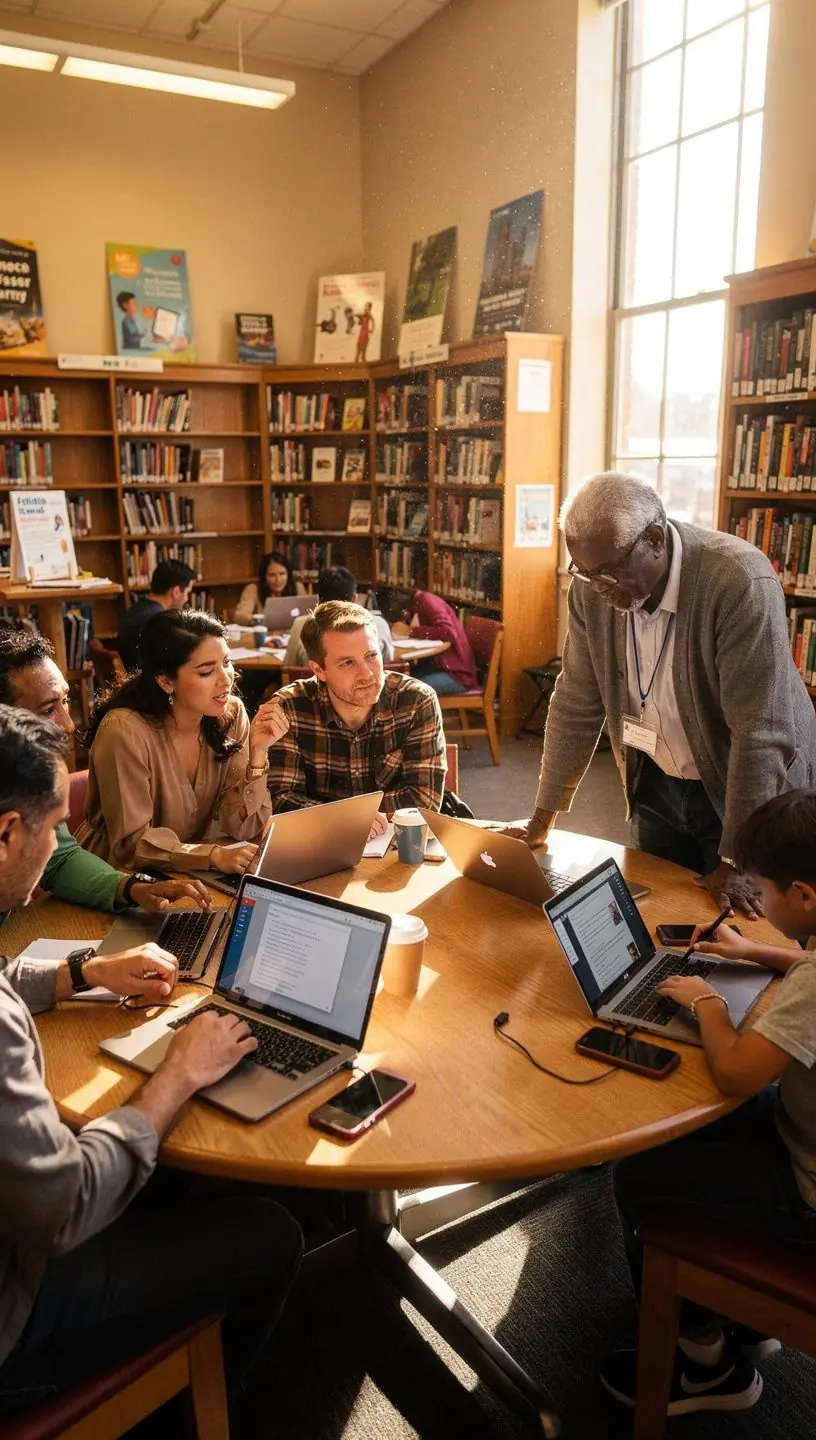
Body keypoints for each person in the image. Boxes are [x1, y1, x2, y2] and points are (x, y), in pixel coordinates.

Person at [0, 705, 301, 1417]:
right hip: (15, 1317)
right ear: (8, 832)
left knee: (169, 1177)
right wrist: (178, 1074)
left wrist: (82, 972)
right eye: (54, 829)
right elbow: (65, 1207)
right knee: (271, 1232)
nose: (53, 856)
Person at [601, 787, 816, 1416]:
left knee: (638, 1177)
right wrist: (755, 952)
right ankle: (742, 1316)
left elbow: (737, 1076)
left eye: (762, 893)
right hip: (802, 1135)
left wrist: (708, 1004)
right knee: (685, 1134)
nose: (756, 906)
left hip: (807, 1193)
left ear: (804, 896)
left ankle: (705, 1364)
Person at [513, 472, 816, 918]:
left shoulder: (737, 581)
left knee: (744, 921)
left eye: (609, 571)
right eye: (585, 572)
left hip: (743, 788)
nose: (598, 588)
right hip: (655, 779)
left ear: (655, 539)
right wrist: (542, 816)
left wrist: (736, 859)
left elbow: (760, 734)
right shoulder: (592, 589)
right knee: (656, 914)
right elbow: (576, 698)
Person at [0, 627, 210, 918]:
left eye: (65, 701)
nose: (69, 725)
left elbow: (59, 860)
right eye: (48, 710)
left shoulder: (29, 772)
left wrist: (130, 888)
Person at [77, 610, 286, 875]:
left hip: (188, 874)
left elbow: (242, 828)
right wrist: (211, 855)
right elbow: (132, 845)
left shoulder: (230, 714)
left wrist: (258, 754)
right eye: (207, 671)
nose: (226, 679)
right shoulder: (123, 730)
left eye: (226, 662)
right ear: (165, 681)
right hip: (112, 876)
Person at [267, 600, 446, 837]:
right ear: (318, 670)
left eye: (371, 655)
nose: (367, 674)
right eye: (348, 662)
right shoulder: (289, 707)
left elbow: (424, 799)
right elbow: (281, 800)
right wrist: (348, 818)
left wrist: (342, 816)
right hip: (321, 842)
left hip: (395, 841)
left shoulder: (416, 701)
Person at [283, 567, 394, 667]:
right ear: (354, 598)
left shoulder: (301, 625)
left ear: (319, 599)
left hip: (317, 684)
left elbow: (289, 668)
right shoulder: (379, 624)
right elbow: (388, 668)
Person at [383, 587, 477, 695]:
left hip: (457, 675)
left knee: (406, 691)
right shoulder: (418, 603)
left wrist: (410, 631)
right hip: (439, 668)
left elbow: (448, 632)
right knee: (396, 681)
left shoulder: (426, 600)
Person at [116, 559, 196, 672]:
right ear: (176, 592)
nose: (187, 598)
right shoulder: (159, 620)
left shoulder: (136, 609)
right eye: (187, 592)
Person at [235, 550, 303, 625]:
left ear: (288, 575)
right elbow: (239, 616)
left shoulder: (298, 587)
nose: (278, 580)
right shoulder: (253, 589)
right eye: (272, 575)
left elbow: (308, 613)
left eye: (282, 574)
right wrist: (260, 620)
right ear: (264, 578)